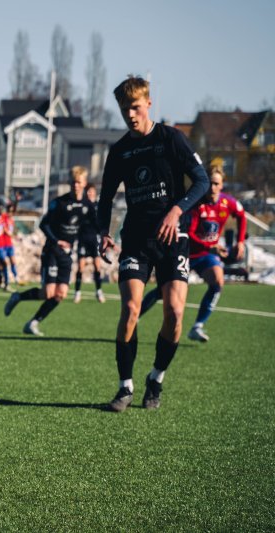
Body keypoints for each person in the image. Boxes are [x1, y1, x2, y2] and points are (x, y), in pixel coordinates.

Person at [97, 76, 209, 412]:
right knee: (131, 308)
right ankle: (125, 387)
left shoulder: (171, 139)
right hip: (135, 239)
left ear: (148, 103)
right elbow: (105, 197)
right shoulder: (120, 151)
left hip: (174, 239)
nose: (130, 115)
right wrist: (104, 232)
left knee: (175, 313)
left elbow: (201, 181)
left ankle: (156, 378)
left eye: (135, 107)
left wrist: (176, 210)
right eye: (124, 109)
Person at [138, 165, 246, 342]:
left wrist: (240, 242)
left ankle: (197, 327)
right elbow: (188, 233)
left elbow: (241, 215)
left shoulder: (228, 203)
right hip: (184, 252)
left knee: (217, 282)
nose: (212, 187)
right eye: (209, 183)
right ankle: (135, 316)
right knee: (162, 292)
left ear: (222, 185)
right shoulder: (194, 204)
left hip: (205, 255)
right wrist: (210, 246)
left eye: (216, 184)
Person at [3, 166, 96, 336]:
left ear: (84, 183)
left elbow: (92, 226)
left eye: (79, 182)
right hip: (52, 251)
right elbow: (43, 224)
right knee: (48, 293)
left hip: (67, 255)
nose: (75, 185)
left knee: (61, 294)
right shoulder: (59, 203)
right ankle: (18, 297)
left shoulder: (87, 205)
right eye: (73, 182)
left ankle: (32, 323)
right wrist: (56, 240)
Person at [73, 184, 106, 303]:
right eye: (88, 191)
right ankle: (77, 292)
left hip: (94, 239)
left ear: (95, 193)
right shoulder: (81, 205)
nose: (90, 193)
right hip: (82, 239)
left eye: (92, 191)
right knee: (80, 266)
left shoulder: (99, 206)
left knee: (97, 265)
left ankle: (99, 291)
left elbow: (102, 222)